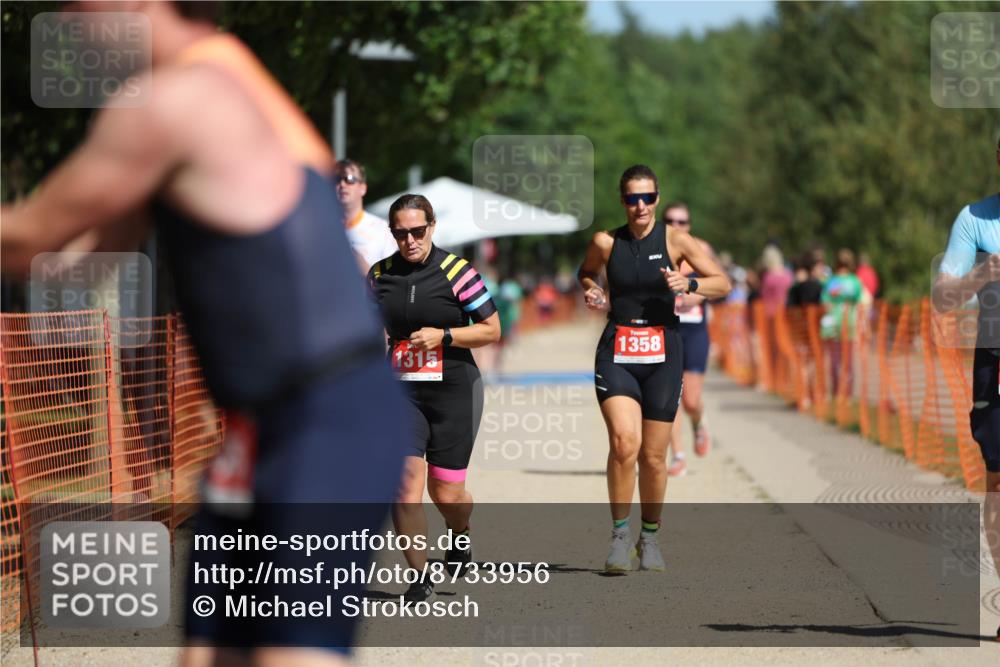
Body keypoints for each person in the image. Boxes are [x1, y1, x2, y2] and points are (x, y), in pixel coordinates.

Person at [2, 3, 410, 665]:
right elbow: (79, 250)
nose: (66, 21)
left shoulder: (174, 101)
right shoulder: (231, 76)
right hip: (254, 431)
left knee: (291, 654)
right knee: (208, 655)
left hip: (329, 417)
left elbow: (30, 237)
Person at [578, 165, 730, 572]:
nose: (640, 205)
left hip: (665, 351)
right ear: (622, 200)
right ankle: (619, 539)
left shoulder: (677, 240)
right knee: (624, 443)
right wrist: (593, 290)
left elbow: (723, 283)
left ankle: (650, 537)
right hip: (618, 349)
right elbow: (586, 272)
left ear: (657, 200)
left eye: (647, 197)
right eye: (632, 198)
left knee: (654, 456)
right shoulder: (606, 241)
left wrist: (691, 285)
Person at [368, 194, 501, 602]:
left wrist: (443, 335)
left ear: (432, 227)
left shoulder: (457, 272)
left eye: (417, 231)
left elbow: (492, 329)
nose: (409, 240)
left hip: (455, 391)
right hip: (401, 393)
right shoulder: (378, 275)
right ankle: (420, 574)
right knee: (404, 485)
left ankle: (459, 532)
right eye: (400, 233)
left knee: (446, 493)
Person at [932, 136, 1000, 640]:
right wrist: (980, 275)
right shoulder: (976, 219)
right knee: (998, 484)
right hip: (994, 362)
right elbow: (941, 298)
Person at [661, 203, 715, 477]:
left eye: (682, 221)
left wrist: (684, 294)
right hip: (666, 331)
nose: (677, 225)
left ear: (690, 225)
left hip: (694, 331)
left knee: (691, 400)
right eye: (671, 221)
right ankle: (678, 456)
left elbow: (711, 286)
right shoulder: (656, 251)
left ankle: (698, 421)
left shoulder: (702, 250)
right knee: (671, 398)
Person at [334, 158, 397, 269]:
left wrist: (367, 273)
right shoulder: (318, 228)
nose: (342, 184)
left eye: (349, 179)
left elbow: (394, 280)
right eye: (337, 179)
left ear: (363, 188)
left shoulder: (382, 230)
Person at [820, 249, 868, 397]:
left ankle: (835, 391)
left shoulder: (832, 282)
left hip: (833, 323)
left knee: (835, 359)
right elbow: (862, 303)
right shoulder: (855, 282)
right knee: (849, 361)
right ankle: (848, 394)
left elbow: (825, 303)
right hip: (851, 322)